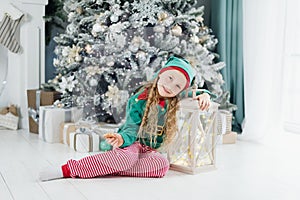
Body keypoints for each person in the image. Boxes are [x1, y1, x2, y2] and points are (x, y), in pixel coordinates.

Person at [39, 56, 212, 181]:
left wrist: (205, 95)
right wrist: (122, 139)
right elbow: (131, 126)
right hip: (131, 141)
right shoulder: (140, 99)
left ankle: (110, 167)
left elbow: (195, 93)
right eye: (169, 78)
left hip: (149, 150)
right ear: (160, 75)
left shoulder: (176, 99)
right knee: (127, 157)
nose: (170, 86)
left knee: (162, 165)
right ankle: (69, 169)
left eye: (177, 85)